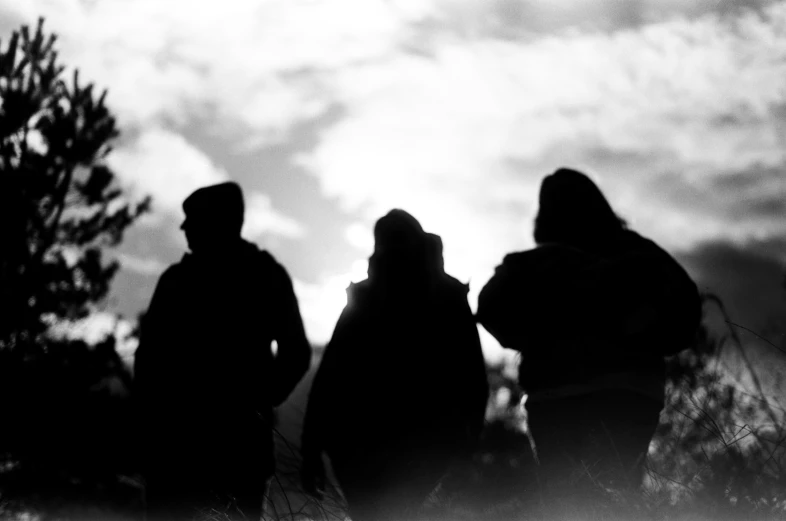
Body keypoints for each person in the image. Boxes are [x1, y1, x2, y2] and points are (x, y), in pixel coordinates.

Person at [476, 168, 702, 494]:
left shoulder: (535, 265)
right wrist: (640, 329)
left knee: (564, 498)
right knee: (615, 493)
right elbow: (685, 308)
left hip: (558, 397)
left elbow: (491, 307)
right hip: (627, 396)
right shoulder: (642, 257)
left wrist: (537, 332)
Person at [133, 182, 311, 521]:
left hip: (194, 451)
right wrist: (259, 401)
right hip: (204, 451)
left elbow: (296, 353)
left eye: (193, 219)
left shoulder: (179, 281)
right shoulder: (264, 275)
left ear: (217, 222)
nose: (184, 227)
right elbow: (148, 363)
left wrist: (257, 400)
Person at [300, 210, 488, 521]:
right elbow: (474, 382)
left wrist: (311, 452)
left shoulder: (369, 297)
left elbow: (328, 379)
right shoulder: (447, 298)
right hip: (396, 448)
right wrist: (465, 451)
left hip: (378, 448)